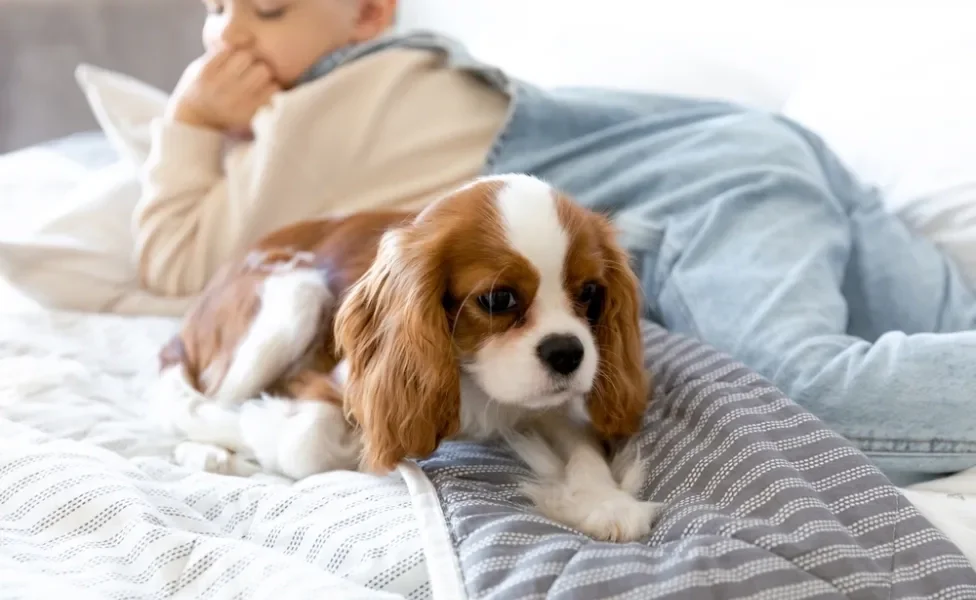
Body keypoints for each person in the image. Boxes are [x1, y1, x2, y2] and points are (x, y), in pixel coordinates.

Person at [136, 0, 976, 485]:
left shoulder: (324, 108)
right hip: (756, 151)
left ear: (367, 13)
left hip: (709, 183)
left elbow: (172, 262)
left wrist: (188, 122)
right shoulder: (410, 79)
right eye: (212, 7)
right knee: (947, 318)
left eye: (268, 6)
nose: (225, 35)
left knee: (807, 400)